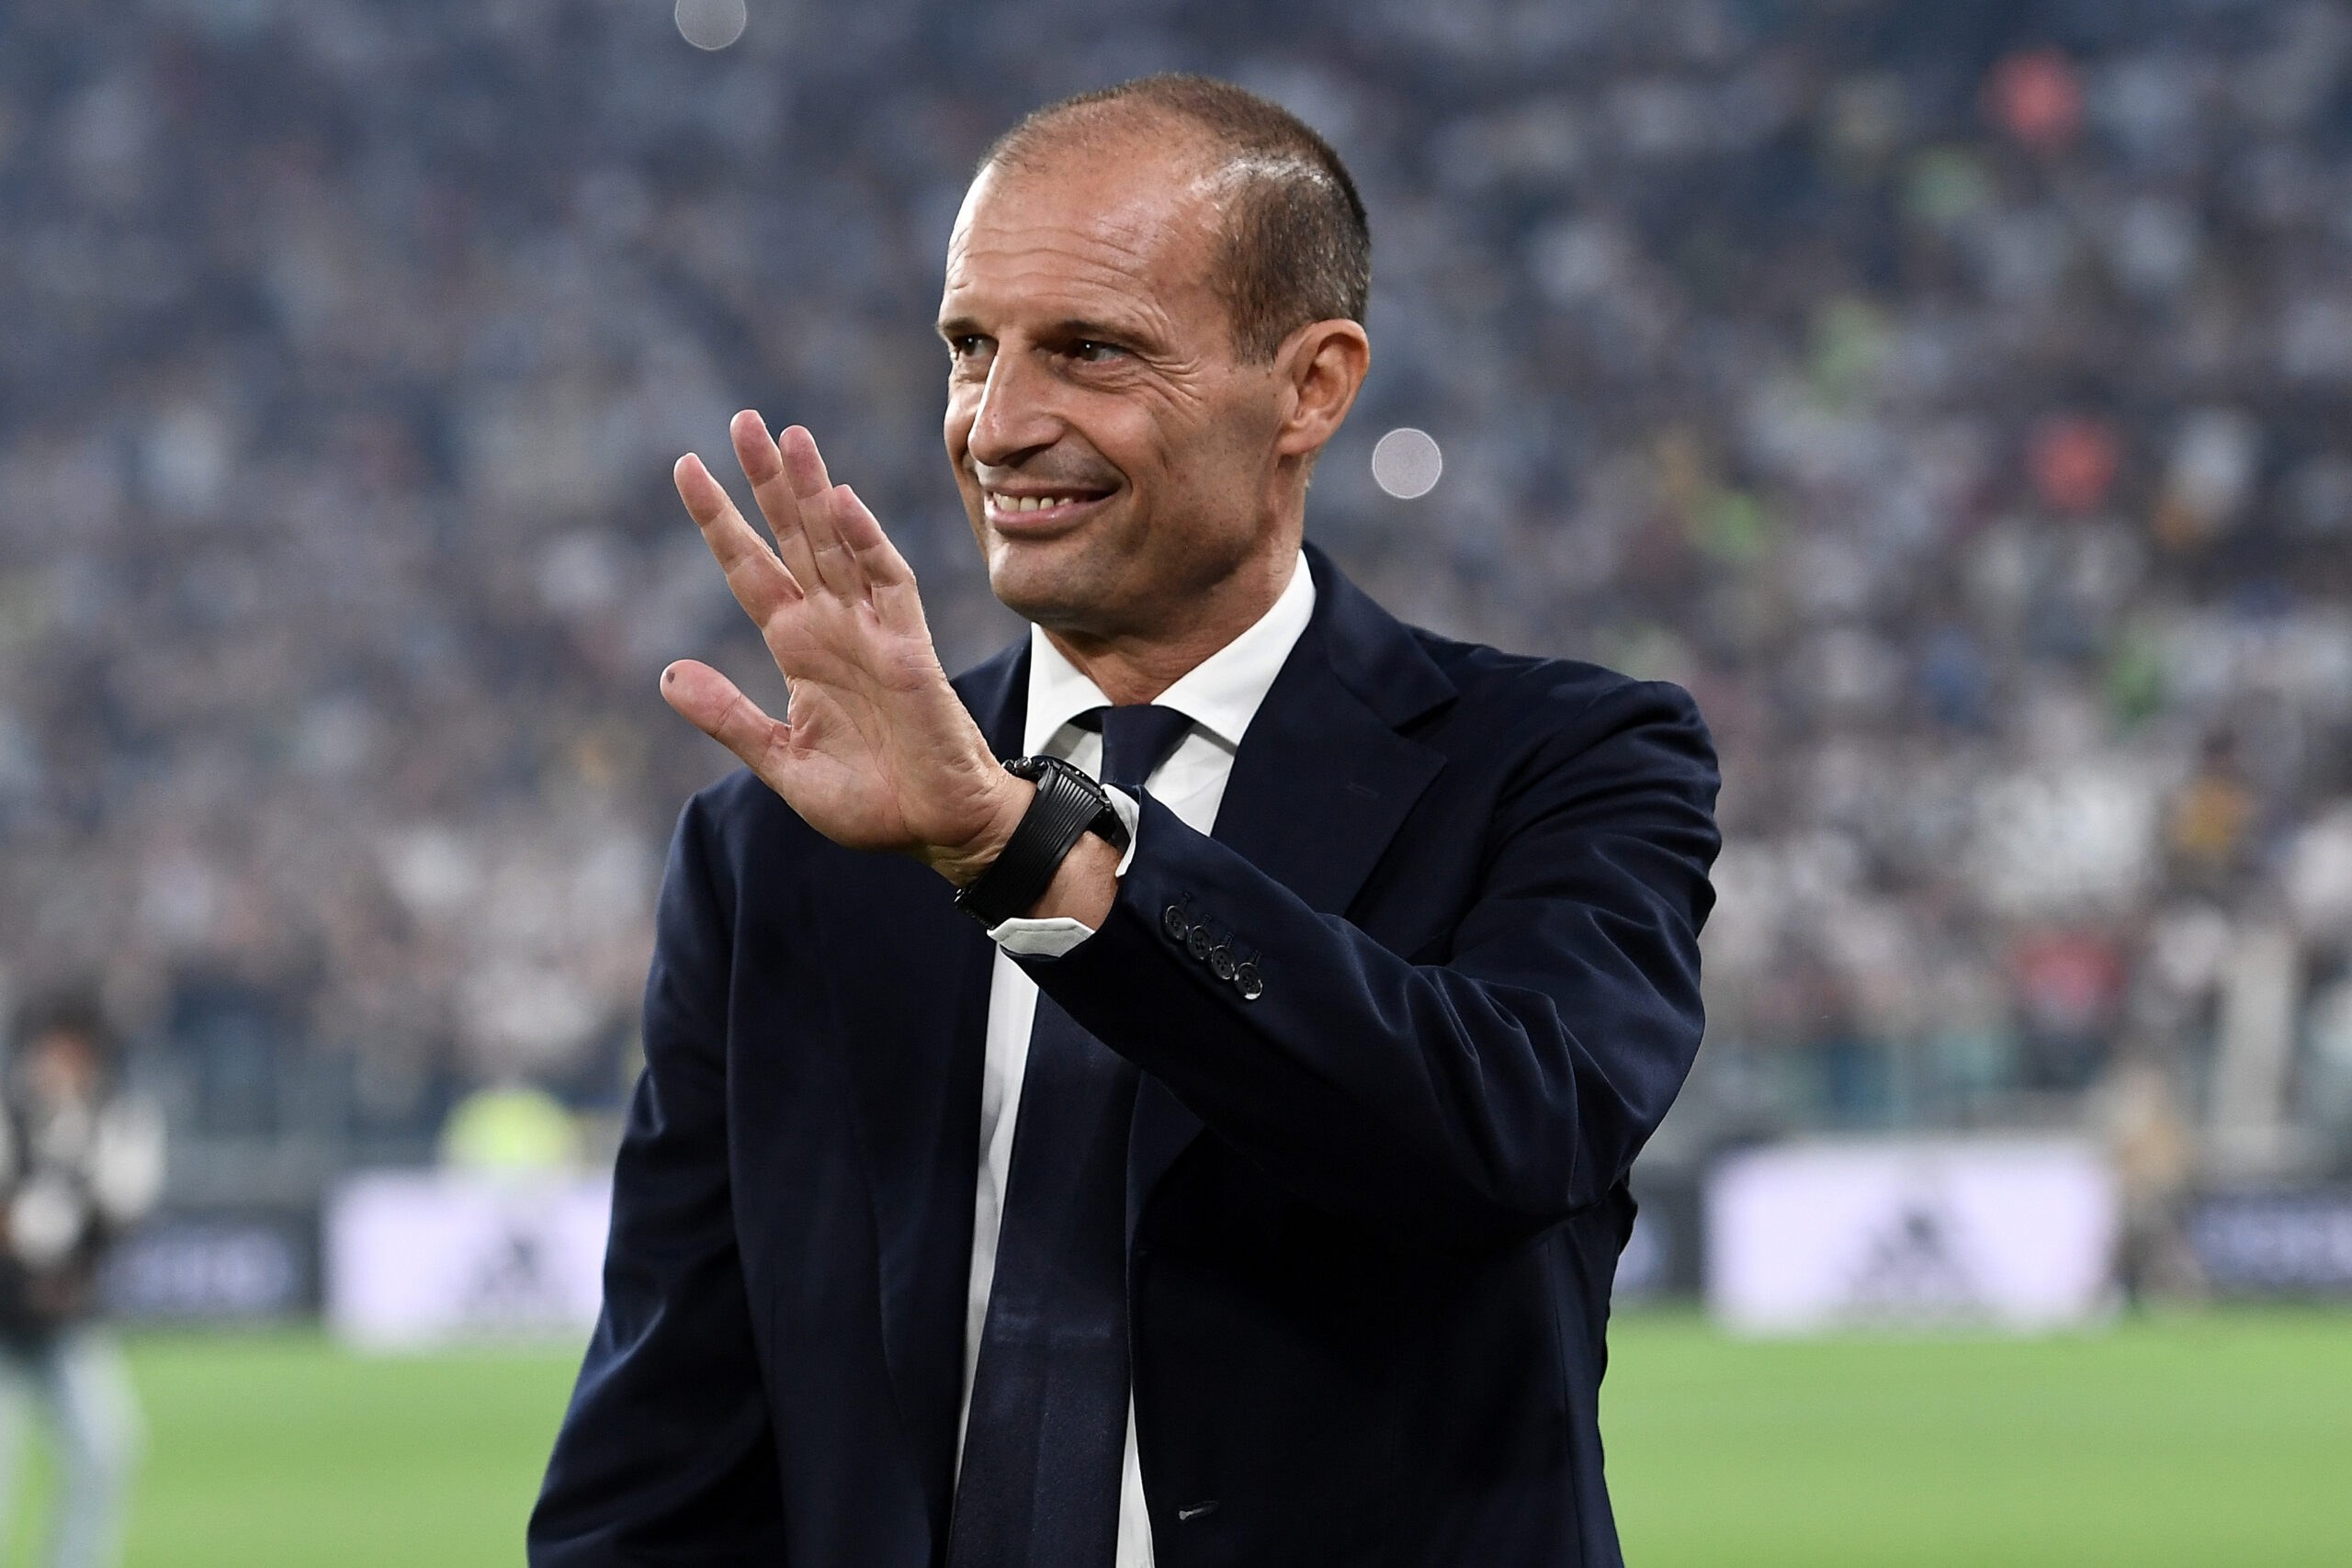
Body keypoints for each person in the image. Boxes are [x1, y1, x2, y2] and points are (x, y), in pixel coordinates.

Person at [530, 74, 1717, 1568]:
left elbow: (1511, 1133)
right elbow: (662, 1466)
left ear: (1312, 387)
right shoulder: (780, 843)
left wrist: (1022, 850)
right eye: (972, 347)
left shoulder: (1561, 759)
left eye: (1090, 350)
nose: (1000, 425)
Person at [0, 993, 164, 1568]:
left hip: (62, 1322)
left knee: (107, 1450)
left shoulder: (112, 1121)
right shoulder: (10, 1116)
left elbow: (123, 1208)